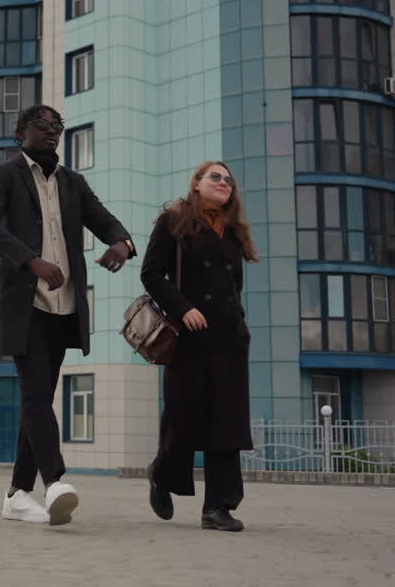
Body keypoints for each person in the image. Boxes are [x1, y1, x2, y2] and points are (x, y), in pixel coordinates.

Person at [0, 104, 136, 526]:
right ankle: (56, 480)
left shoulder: (73, 183)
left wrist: (122, 242)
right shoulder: (4, 175)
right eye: (42, 125)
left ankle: (16, 494)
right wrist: (32, 261)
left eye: (58, 127)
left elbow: (104, 219)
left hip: (63, 308)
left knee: (40, 398)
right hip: (25, 306)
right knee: (35, 395)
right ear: (21, 132)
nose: (52, 132)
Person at [139, 160, 259, 532]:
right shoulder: (173, 222)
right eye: (215, 177)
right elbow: (151, 273)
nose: (224, 183)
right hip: (190, 339)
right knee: (184, 417)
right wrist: (183, 307)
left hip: (229, 339)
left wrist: (239, 324)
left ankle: (218, 507)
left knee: (228, 423)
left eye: (228, 180)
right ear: (196, 184)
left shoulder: (234, 232)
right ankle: (162, 474)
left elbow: (234, 286)